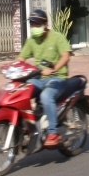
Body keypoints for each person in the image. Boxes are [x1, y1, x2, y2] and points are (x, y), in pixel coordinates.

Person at [18, 8, 72, 148]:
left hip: (57, 78)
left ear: (45, 24)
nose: (34, 28)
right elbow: (21, 58)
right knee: (20, 91)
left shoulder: (57, 37)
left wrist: (53, 69)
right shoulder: (32, 40)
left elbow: (66, 55)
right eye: (32, 25)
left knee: (46, 97)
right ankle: (25, 126)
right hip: (38, 78)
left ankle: (53, 133)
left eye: (37, 24)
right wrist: (9, 67)